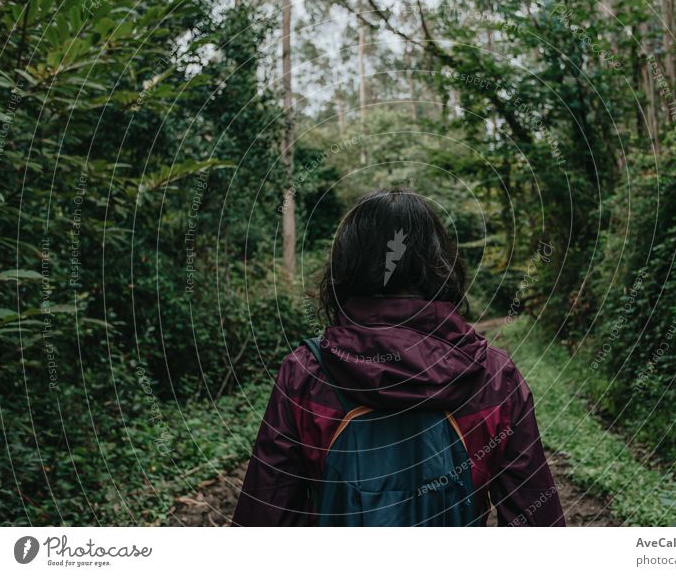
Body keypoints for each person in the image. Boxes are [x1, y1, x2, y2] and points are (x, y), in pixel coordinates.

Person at [232, 188, 565, 527]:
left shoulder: (304, 374)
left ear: (348, 265)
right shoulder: (495, 377)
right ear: (441, 264)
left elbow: (265, 517)